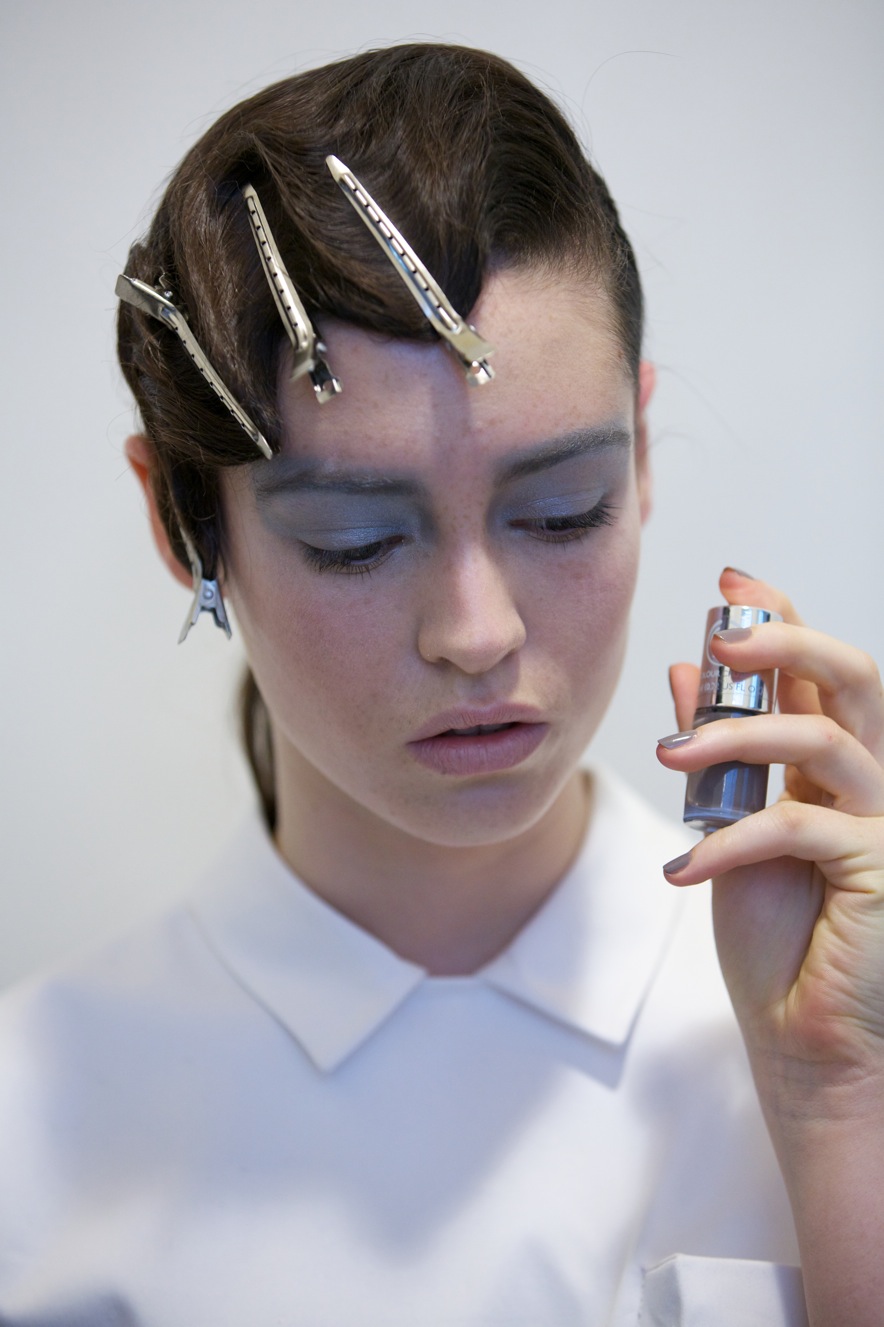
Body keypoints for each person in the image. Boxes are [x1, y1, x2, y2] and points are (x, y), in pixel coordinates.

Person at [0, 42, 881, 1327]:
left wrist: (837, 1106)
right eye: (354, 539)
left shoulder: (837, 1023)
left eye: (562, 509)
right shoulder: (32, 1133)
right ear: (184, 523)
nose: (476, 633)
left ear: (638, 451)